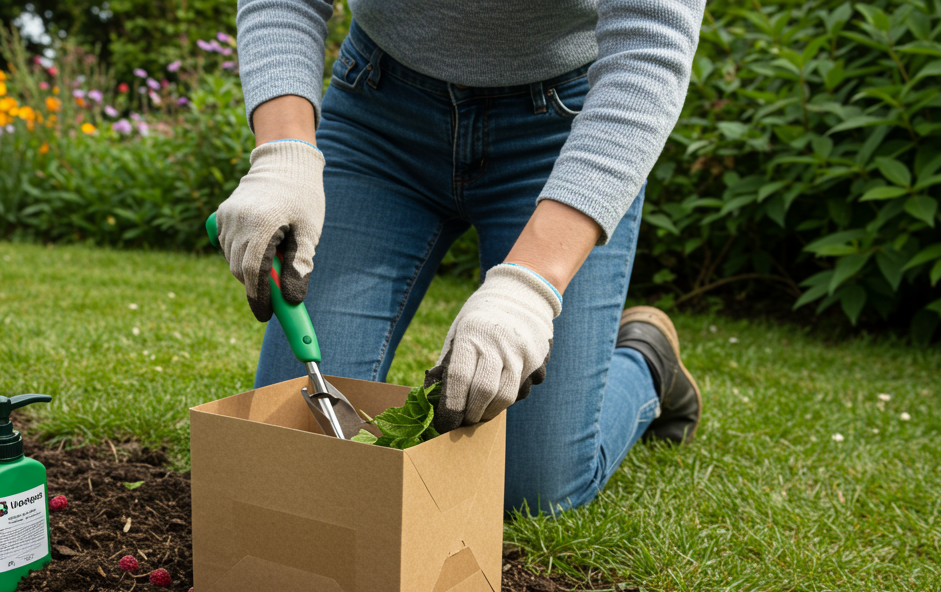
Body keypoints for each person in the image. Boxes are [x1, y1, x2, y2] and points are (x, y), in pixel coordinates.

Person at [214, 0, 706, 515]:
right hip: (378, 117)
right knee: (294, 441)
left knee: (526, 490)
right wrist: (282, 154)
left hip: (563, 132)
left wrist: (527, 288)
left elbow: (650, 47)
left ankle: (647, 362)